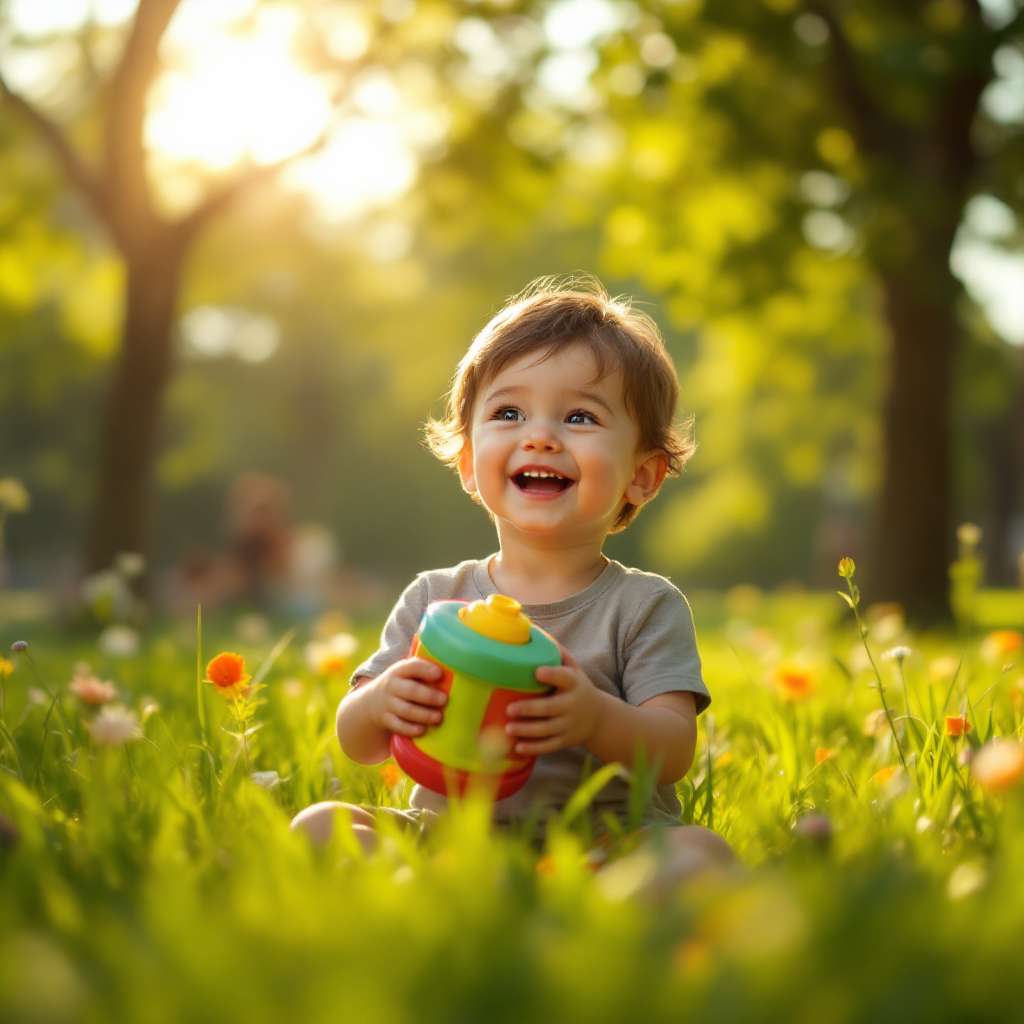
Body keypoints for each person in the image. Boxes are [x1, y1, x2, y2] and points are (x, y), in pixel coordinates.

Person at [291, 276, 732, 873]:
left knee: (697, 854)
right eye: (509, 412)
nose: (541, 436)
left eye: (580, 416)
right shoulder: (434, 595)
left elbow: (673, 750)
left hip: (605, 843)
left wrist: (596, 718)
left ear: (642, 475)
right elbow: (359, 741)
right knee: (319, 827)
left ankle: (591, 919)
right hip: (455, 839)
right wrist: (380, 704)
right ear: (470, 463)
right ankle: (435, 902)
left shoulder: (644, 605)